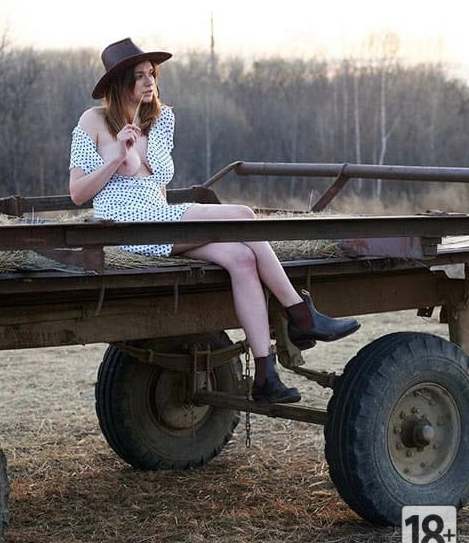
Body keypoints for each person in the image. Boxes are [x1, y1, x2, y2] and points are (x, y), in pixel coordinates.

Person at [69, 38, 360, 404]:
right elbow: (78, 193)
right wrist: (115, 157)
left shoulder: (161, 119)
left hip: (161, 220)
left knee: (242, 258)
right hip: (125, 225)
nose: (149, 82)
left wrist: (178, 224)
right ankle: (301, 314)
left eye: (151, 74)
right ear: (118, 82)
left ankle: (265, 377)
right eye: (138, 76)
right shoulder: (94, 121)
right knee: (243, 216)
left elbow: (158, 188)